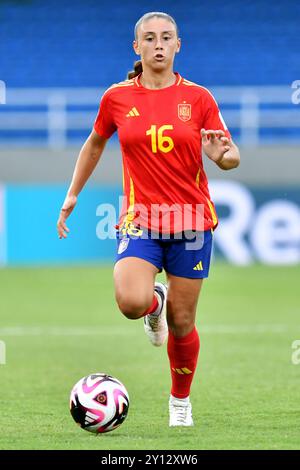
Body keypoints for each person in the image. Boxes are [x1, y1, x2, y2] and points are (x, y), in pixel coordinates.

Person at [57, 11, 240, 427]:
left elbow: (231, 155)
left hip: (191, 222)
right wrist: (72, 196)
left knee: (182, 322)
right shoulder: (117, 98)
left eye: (167, 37)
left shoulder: (199, 99)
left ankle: (180, 402)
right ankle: (152, 303)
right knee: (131, 303)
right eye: (150, 38)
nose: (159, 44)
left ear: (179, 45)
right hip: (141, 218)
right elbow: (94, 143)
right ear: (136, 47)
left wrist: (221, 157)